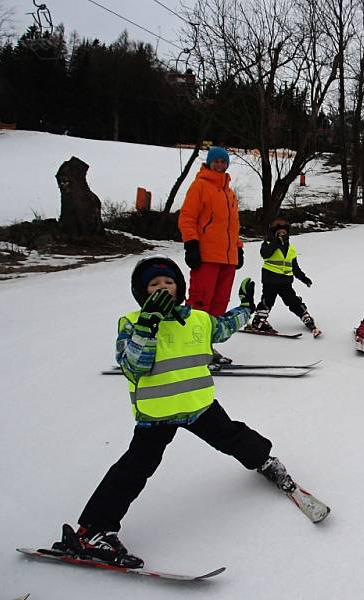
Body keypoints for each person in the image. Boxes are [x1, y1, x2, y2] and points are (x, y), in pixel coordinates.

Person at [50, 256, 297, 569]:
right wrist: (148, 326)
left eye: (169, 283)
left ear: (179, 288)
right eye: (154, 285)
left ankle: (264, 460)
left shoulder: (197, 319)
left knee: (233, 436)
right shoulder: (132, 323)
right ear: (142, 293)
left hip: (199, 406)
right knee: (134, 469)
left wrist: (246, 307)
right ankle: (92, 531)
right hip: (158, 415)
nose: (163, 288)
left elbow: (222, 329)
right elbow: (133, 366)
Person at [178, 146, 243, 364]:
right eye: (215, 161)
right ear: (209, 163)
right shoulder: (200, 186)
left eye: (223, 162)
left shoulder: (229, 193)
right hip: (206, 256)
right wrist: (191, 244)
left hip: (227, 259)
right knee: (199, 303)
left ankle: (206, 346)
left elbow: (233, 226)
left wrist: (238, 248)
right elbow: (187, 217)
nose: (220, 165)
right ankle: (190, 346)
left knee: (218, 305)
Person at [249, 217, 321, 337]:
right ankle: (259, 320)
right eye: (279, 233)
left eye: (284, 232)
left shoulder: (291, 249)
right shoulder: (267, 244)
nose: (281, 235)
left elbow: (294, 267)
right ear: (274, 234)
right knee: (268, 300)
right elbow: (265, 254)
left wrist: (303, 278)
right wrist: (276, 242)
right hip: (270, 280)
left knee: (292, 300)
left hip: (285, 282)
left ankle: (304, 315)